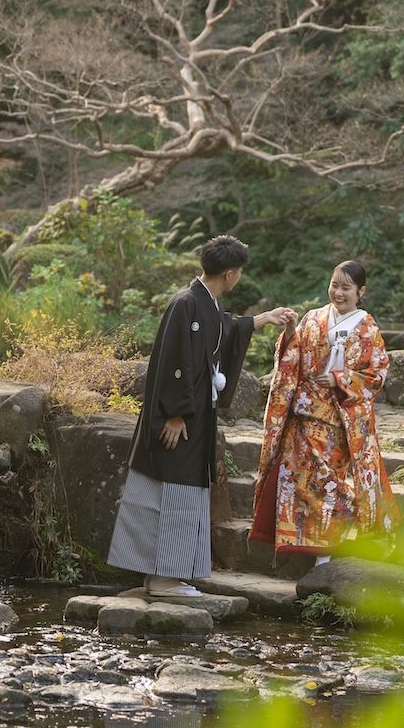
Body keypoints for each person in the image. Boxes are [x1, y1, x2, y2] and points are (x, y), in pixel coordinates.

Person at [108, 235, 297, 596]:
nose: (238, 276)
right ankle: (164, 579)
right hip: (178, 420)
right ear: (229, 274)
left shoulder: (201, 303)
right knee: (172, 493)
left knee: (175, 493)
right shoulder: (186, 304)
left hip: (194, 418)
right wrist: (176, 415)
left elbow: (223, 329)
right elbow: (175, 363)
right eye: (239, 271)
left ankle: (160, 576)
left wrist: (261, 320)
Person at [248, 260, 396, 564]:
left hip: (336, 422)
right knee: (296, 481)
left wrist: (341, 379)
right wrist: (290, 332)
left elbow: (377, 374)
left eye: (346, 287)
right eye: (334, 285)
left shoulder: (367, 328)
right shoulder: (313, 318)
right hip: (303, 416)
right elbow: (292, 357)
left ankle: (325, 555)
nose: (338, 293)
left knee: (330, 487)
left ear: (360, 291)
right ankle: (294, 544)